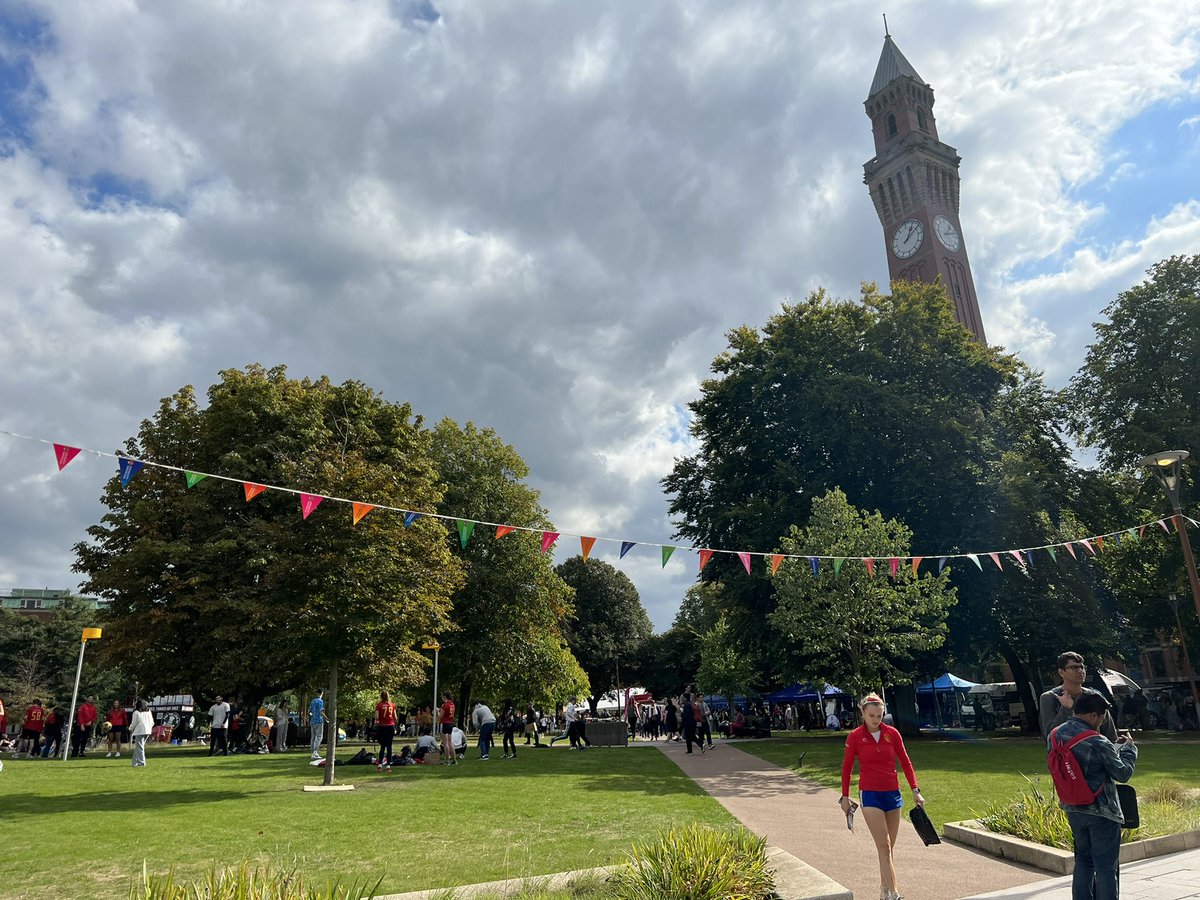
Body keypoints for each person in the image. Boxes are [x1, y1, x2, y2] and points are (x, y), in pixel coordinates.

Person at [1048, 691, 1137, 899]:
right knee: (1105, 867)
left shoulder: (1055, 735)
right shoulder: (1097, 741)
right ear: (1094, 715)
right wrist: (1129, 750)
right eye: (1103, 717)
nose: (1103, 722)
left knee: (1083, 861)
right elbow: (1122, 773)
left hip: (1073, 807)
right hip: (1101, 810)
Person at [839, 694, 923, 900]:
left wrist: (915, 790)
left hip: (892, 794)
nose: (876, 719)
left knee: (888, 848)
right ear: (863, 713)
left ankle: (884, 890)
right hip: (870, 794)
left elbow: (905, 762)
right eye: (871, 715)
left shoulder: (892, 733)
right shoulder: (855, 736)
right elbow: (847, 767)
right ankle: (894, 894)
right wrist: (845, 796)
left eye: (879, 715)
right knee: (883, 844)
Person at [1040, 652, 1119, 741]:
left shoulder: (1094, 696)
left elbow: (1111, 735)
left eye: (1082, 667)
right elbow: (1049, 736)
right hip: (1066, 753)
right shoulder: (1050, 697)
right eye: (1074, 667)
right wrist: (1065, 708)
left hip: (1093, 752)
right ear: (1061, 672)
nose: (1080, 671)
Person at [375, 690, 397, 770]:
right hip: (390, 726)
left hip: (382, 726)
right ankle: (388, 764)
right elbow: (395, 717)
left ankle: (380, 764)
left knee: (382, 746)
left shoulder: (379, 705)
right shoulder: (392, 705)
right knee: (389, 746)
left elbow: (377, 717)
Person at [130, 699, 155, 767]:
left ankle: (141, 763)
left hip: (140, 731)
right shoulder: (149, 711)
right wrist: (149, 727)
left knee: (140, 747)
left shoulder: (136, 712)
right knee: (139, 747)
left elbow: (134, 723)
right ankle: (134, 762)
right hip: (148, 730)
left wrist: (130, 729)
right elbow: (152, 722)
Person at [438, 692, 456, 765]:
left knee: (445, 743)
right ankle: (454, 759)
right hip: (450, 723)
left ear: (445, 697)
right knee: (450, 742)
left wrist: (437, 711)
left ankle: (447, 760)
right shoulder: (452, 704)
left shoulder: (445, 705)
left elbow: (440, 716)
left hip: (444, 723)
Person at [308, 690, 326, 759]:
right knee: (319, 737)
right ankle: (315, 752)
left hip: (313, 721)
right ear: (322, 693)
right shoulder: (320, 701)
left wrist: (313, 715)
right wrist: (327, 719)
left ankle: (312, 752)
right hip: (319, 721)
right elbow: (321, 712)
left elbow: (309, 711)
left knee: (313, 737)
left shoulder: (313, 701)